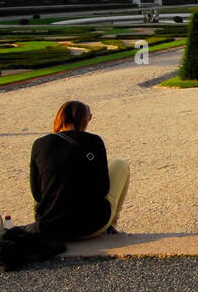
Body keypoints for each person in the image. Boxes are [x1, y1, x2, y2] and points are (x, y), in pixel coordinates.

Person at [29, 101, 129, 240]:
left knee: (44, 178)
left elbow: (37, 194)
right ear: (84, 119)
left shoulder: (40, 144)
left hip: (50, 228)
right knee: (120, 165)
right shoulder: (94, 141)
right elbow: (103, 189)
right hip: (91, 226)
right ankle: (110, 226)